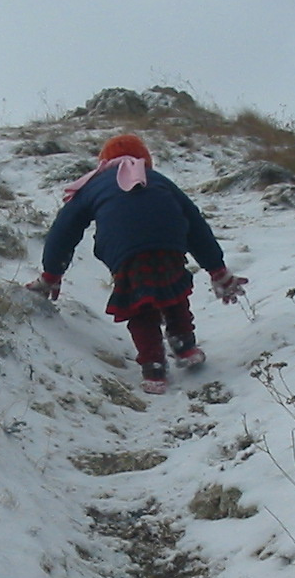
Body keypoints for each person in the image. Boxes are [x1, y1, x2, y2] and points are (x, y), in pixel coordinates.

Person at [26, 133, 248, 395]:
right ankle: (184, 346)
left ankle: (154, 367)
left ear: (103, 161)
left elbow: (64, 231)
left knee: (140, 305)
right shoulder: (159, 180)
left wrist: (52, 273)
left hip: (124, 249)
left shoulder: (92, 185)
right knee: (173, 293)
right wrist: (217, 269)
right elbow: (195, 224)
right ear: (146, 160)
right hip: (169, 241)